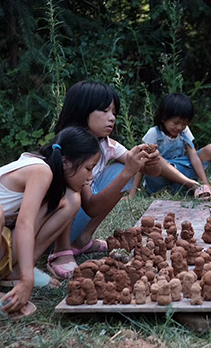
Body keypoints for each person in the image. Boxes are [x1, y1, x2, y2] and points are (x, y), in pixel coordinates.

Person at [0, 126, 100, 318]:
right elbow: (24, 224)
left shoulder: (49, 173)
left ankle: (15, 271)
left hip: (1, 243)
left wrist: (25, 274)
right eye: (88, 168)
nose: (91, 176)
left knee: (71, 199)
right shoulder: (40, 170)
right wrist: (27, 281)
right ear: (65, 163)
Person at [50, 81, 161, 277]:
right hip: (51, 229)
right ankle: (61, 251)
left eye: (114, 113)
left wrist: (151, 160)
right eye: (104, 111)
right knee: (71, 189)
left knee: (121, 167)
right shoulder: (69, 147)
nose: (112, 118)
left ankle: (83, 239)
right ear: (81, 110)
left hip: (78, 215)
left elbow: (149, 171)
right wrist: (128, 172)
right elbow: (91, 206)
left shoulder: (107, 144)